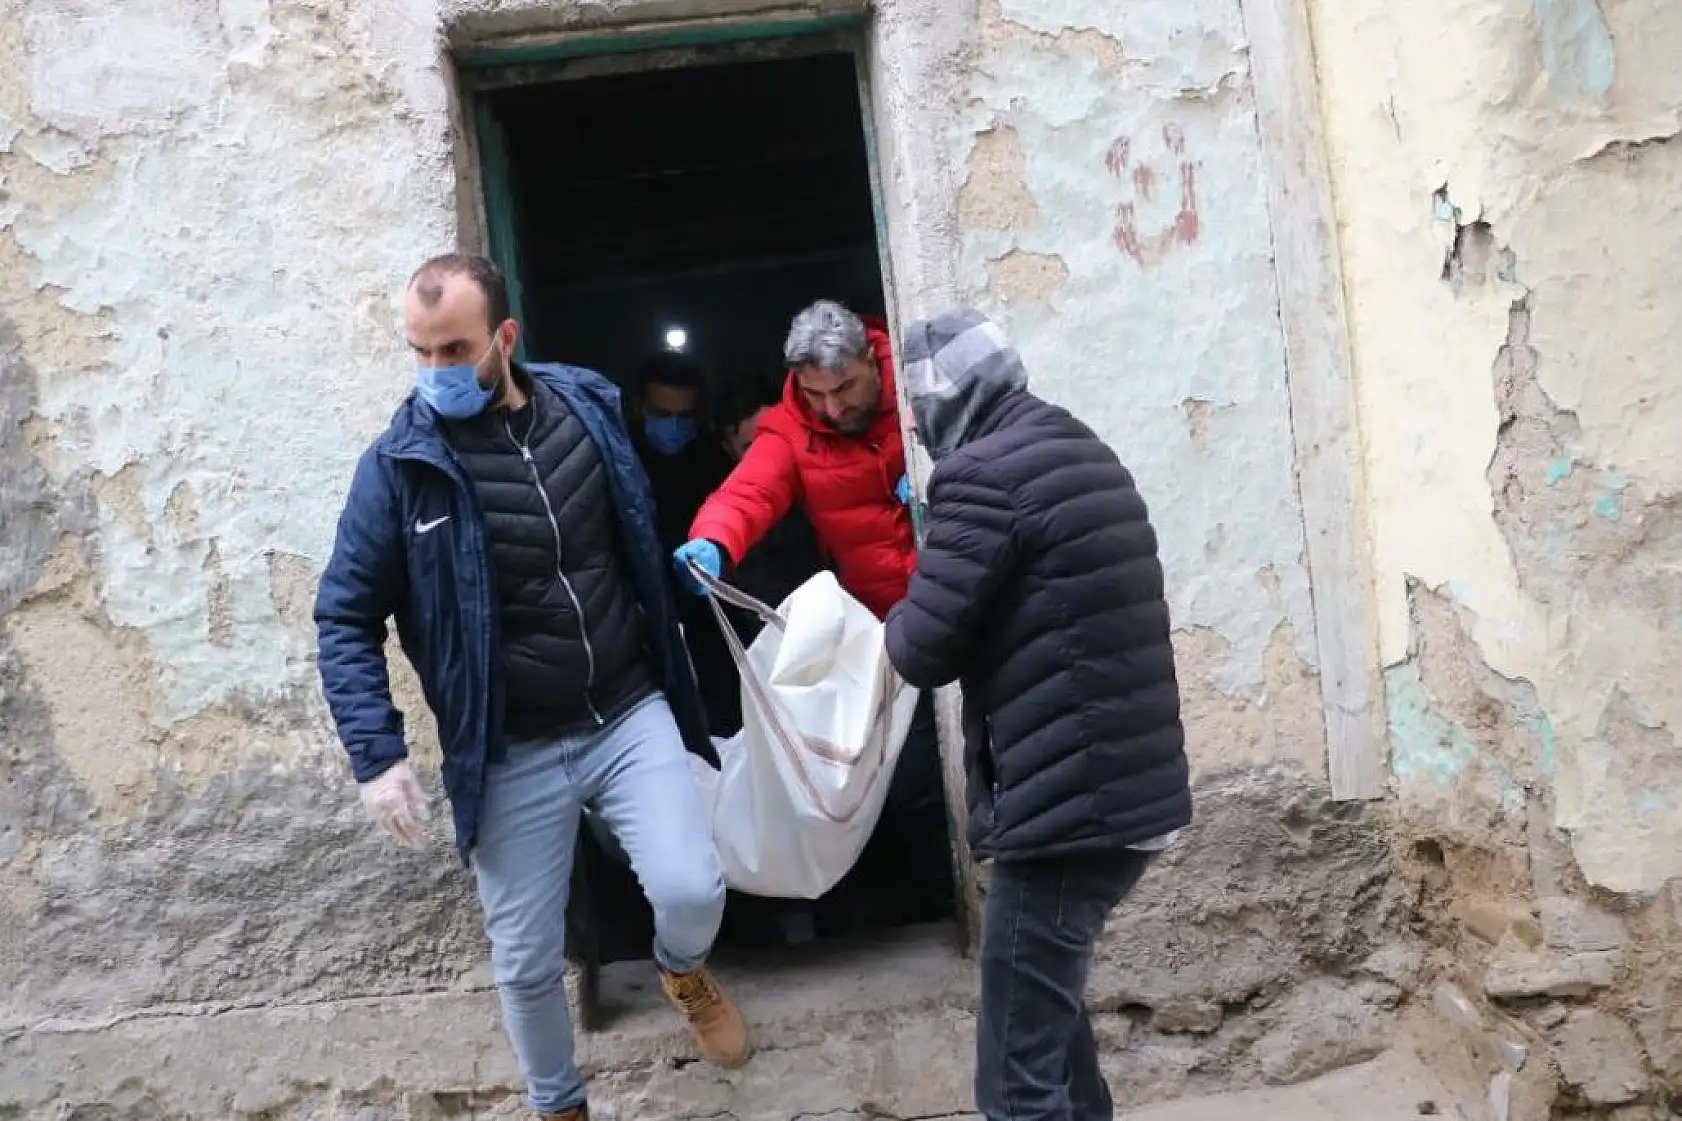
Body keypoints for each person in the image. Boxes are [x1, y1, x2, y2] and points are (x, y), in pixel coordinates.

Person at [313, 253, 749, 1121]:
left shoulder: (585, 406)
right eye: (420, 351)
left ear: (504, 339)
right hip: (510, 749)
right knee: (523, 961)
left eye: (456, 349)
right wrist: (379, 757)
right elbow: (343, 616)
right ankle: (560, 1105)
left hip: (625, 708)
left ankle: (680, 969)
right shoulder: (399, 470)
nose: (436, 371)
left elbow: (631, 523)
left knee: (693, 887)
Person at [882, 309, 1192, 1121]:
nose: (917, 432)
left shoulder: (981, 476)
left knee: (1016, 1084)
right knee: (1054, 1041)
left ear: (942, 406)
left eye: (917, 415)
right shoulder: (1077, 444)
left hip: (1067, 818)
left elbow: (921, 648)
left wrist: (921, 548)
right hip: (1117, 792)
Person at [673, 299, 951, 922]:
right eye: (815, 392)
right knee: (908, 782)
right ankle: (939, 903)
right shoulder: (791, 428)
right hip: (886, 636)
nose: (832, 407)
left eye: (845, 387)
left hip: (960, 603)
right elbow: (749, 491)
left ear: (870, 360)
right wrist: (714, 540)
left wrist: (937, 476)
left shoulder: (918, 384)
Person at [626, 349, 739, 735]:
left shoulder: (715, 459)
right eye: (661, 415)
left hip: (711, 609)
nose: (673, 427)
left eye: (683, 417)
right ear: (641, 408)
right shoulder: (621, 457)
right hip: (643, 614)